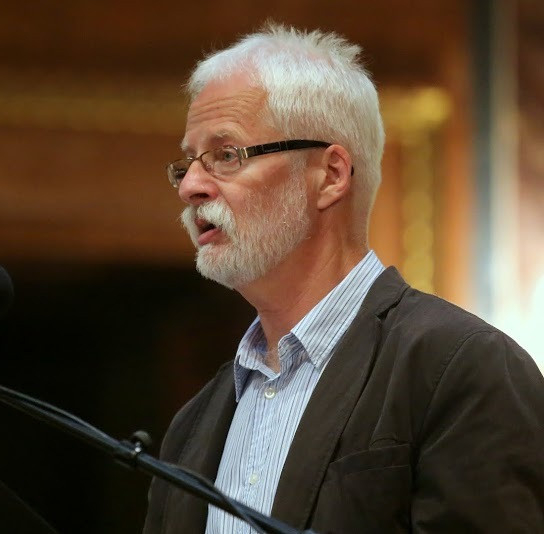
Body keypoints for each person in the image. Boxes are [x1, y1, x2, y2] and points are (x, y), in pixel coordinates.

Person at [143, 22, 544, 533]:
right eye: (188, 163)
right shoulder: (193, 425)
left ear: (331, 175)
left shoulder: (462, 367)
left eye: (226, 155)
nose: (191, 187)